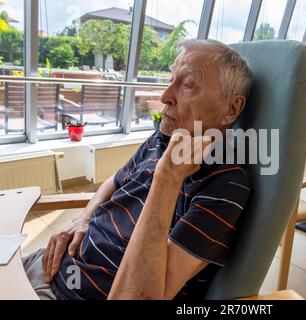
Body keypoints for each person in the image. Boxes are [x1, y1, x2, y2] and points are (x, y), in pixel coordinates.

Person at [22, 39, 254, 300]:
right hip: (47, 266)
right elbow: (116, 180)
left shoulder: (225, 185)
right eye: (171, 79)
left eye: (187, 85)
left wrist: (167, 177)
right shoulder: (160, 140)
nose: (165, 97)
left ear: (232, 108)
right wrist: (83, 218)